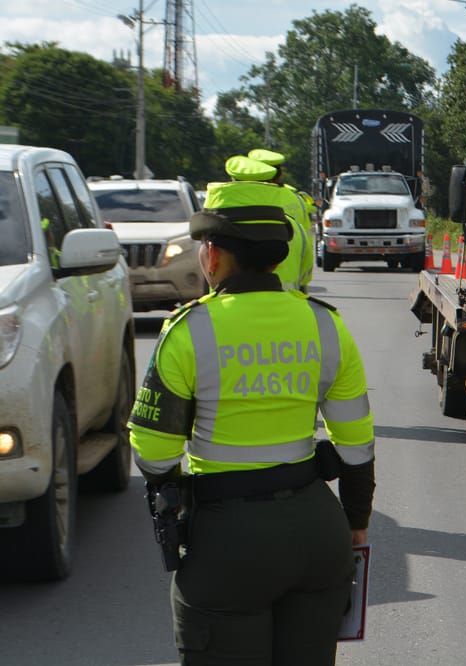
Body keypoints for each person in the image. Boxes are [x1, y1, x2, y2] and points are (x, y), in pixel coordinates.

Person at [128, 179, 375, 665]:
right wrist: (357, 521)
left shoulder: (189, 330)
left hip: (227, 544)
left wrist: (177, 503)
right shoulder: (326, 324)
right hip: (317, 536)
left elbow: (153, 452)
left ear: (214, 255)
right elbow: (356, 443)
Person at [222, 155, 309, 292]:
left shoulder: (217, 228)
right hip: (288, 306)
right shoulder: (295, 224)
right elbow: (305, 275)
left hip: (225, 310)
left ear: (233, 184)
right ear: (277, 176)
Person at [248, 148, 314, 287]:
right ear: (280, 174)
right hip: (291, 292)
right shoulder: (298, 199)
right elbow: (306, 243)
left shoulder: (243, 200)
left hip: (246, 292)